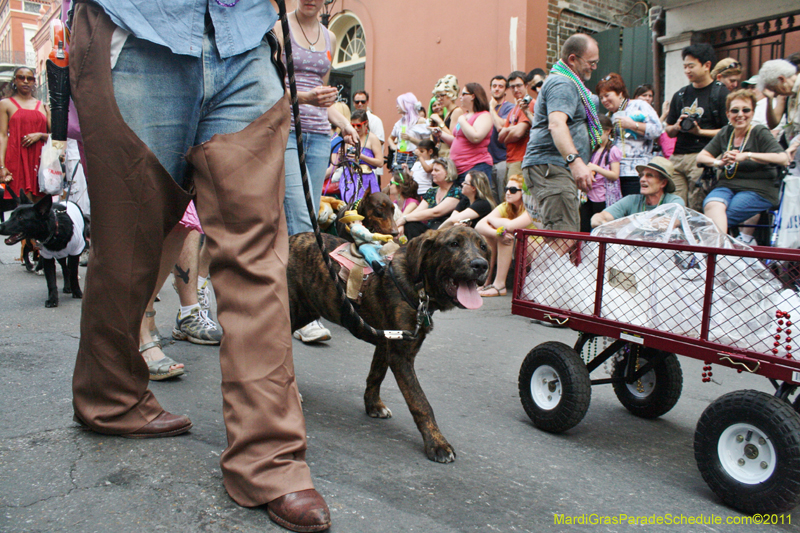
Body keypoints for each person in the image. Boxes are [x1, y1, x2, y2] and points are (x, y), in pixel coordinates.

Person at [68, 2, 331, 532]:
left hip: (245, 39)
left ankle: (270, 457)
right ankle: (109, 395)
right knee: (127, 245)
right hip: (136, 28)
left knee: (257, 251)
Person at [276, 1, 355, 237]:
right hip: (287, 130)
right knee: (299, 215)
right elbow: (270, 90)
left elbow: (323, 95)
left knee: (311, 212)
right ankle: (304, 270)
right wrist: (307, 98)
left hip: (320, 135)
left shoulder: (329, 37)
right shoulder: (279, 28)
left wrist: (345, 124)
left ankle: (294, 269)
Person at [522, 33, 601, 232]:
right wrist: (575, 162)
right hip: (553, 166)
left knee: (565, 235)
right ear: (573, 59)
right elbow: (556, 124)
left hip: (555, 167)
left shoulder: (568, 83)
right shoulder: (563, 84)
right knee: (563, 235)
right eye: (591, 62)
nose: (594, 67)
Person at [696, 89, 790, 242]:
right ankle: (718, 255)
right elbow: (701, 157)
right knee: (712, 205)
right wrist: (719, 162)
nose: (740, 114)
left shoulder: (759, 132)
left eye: (746, 110)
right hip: (726, 185)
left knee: (722, 217)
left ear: (752, 113)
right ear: (728, 114)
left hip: (757, 188)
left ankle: (714, 256)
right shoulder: (727, 132)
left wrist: (747, 155)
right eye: (735, 110)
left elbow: (783, 158)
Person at [664, 43, 729, 209]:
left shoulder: (720, 93)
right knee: (674, 207)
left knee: (696, 207)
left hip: (702, 157)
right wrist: (677, 127)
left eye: (691, 66)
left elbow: (728, 131)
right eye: (685, 67)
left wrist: (700, 131)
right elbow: (669, 131)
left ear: (707, 65)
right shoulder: (680, 94)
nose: (687, 71)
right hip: (677, 158)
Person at [596, 73, 663, 197]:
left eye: (607, 95)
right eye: (601, 97)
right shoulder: (608, 116)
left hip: (636, 172)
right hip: (615, 174)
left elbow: (658, 130)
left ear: (620, 93)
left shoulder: (639, 105)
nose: (604, 100)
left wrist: (633, 125)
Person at [476, 175, 535, 297]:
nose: (508, 193)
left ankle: (500, 285)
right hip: (520, 245)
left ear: (523, 192)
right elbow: (479, 226)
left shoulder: (531, 207)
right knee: (492, 235)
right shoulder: (505, 206)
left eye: (513, 190)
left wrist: (495, 222)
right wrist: (495, 233)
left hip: (537, 249)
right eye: (506, 189)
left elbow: (511, 226)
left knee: (506, 235)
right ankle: (485, 281)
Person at [0, 66, 51, 204]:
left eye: (30, 78)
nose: (26, 81)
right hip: (17, 158)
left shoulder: (43, 106)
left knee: (42, 208)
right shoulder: (5, 104)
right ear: (14, 81)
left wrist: (40, 135)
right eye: (21, 78)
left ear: (34, 82)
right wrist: (2, 166)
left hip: (40, 160)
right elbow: (2, 136)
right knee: (23, 206)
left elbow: (55, 137)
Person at [590, 157, 685, 228]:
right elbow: (597, 219)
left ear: (663, 183)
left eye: (649, 176)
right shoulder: (631, 199)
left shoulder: (674, 201)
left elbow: (669, 223)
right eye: (642, 175)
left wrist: (623, 223)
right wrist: (602, 222)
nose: (642, 179)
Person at [438, 82, 494, 184]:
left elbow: (476, 137)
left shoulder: (483, 115)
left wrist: (462, 120)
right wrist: (440, 134)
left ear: (473, 96)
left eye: (464, 94)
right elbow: (457, 140)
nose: (460, 97)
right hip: (458, 170)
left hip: (475, 167)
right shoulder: (465, 115)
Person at [397, 157, 461, 240]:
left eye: (436, 170)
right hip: (431, 231)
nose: (432, 173)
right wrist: (402, 222)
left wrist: (404, 219)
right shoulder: (432, 191)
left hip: (447, 232)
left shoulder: (456, 191)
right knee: (410, 224)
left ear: (448, 172)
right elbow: (417, 212)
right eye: (433, 170)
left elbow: (436, 212)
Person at [581, 115, 621, 232]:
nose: (595, 135)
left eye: (598, 131)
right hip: (587, 195)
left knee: (599, 228)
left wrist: (596, 168)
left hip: (602, 196)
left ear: (608, 131)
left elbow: (615, 175)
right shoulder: (593, 148)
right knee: (584, 227)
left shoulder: (612, 150)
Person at [758, 59, 800, 161]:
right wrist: (769, 100)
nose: (775, 94)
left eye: (774, 89)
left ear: (781, 79)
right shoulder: (787, 92)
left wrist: (796, 144)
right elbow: (773, 123)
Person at [339, 109, 382, 203]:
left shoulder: (372, 138)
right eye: (352, 125)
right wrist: (342, 154)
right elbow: (340, 160)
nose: (356, 128)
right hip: (349, 177)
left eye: (358, 125)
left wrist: (361, 156)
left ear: (365, 123)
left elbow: (380, 162)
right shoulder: (350, 137)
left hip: (366, 178)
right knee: (350, 207)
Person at [498, 71, 533, 185]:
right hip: (510, 158)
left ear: (526, 86)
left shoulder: (530, 104)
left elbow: (518, 133)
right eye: (512, 87)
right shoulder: (513, 109)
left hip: (521, 159)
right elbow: (500, 138)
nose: (516, 89)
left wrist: (507, 130)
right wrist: (509, 132)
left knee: (515, 195)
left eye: (519, 85)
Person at [487, 75, 514, 202]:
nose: (497, 89)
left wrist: (491, 108)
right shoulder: (485, 109)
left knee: (503, 196)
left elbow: (500, 126)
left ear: (505, 90)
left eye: (500, 86)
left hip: (503, 158)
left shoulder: (509, 108)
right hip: (488, 160)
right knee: (491, 198)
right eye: (494, 86)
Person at [388, 92, 428, 171]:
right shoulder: (399, 123)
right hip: (399, 156)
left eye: (399, 104)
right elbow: (390, 138)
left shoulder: (420, 122)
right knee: (397, 180)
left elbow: (427, 143)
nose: (397, 106)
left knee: (412, 181)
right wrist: (393, 146)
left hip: (414, 156)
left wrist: (410, 138)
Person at [352, 90, 385, 178]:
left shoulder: (375, 120)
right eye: (357, 101)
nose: (360, 104)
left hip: (371, 171)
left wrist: (362, 153)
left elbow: (380, 141)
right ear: (353, 103)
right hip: (352, 173)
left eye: (362, 101)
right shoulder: (351, 119)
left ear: (367, 102)